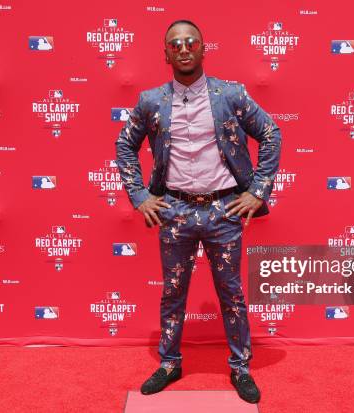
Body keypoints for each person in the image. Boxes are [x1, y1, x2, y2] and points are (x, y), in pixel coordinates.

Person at [115, 19, 282, 404]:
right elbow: (125, 145)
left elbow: (271, 133)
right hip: (173, 211)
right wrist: (139, 195)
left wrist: (257, 190)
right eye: (176, 44)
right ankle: (170, 362)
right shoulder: (151, 101)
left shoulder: (231, 94)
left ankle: (240, 367)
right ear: (166, 54)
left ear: (204, 49)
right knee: (172, 293)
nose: (184, 48)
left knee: (232, 293)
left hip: (224, 210)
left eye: (191, 42)